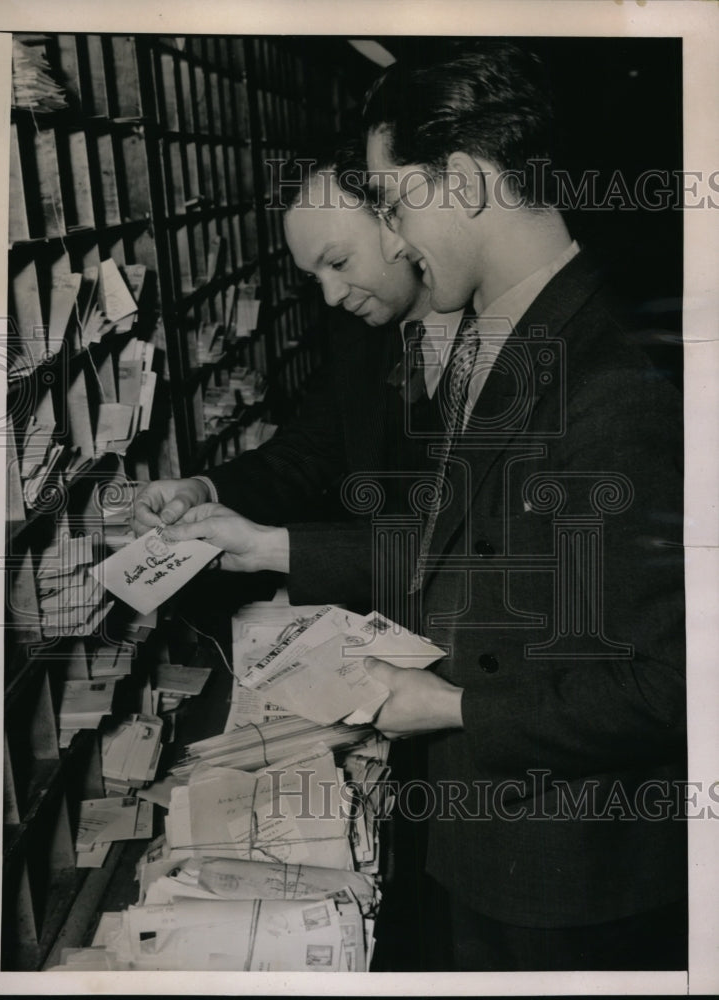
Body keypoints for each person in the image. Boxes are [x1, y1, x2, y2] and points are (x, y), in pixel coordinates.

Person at [357, 43, 687, 971]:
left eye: (391, 203)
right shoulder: (510, 332)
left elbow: (674, 685)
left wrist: (455, 706)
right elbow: (486, 546)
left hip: (573, 879)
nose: (390, 243)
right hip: (497, 849)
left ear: (461, 181)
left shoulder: (616, 382)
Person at [132, 137, 462, 613]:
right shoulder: (362, 331)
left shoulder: (505, 341)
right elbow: (306, 451)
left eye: (339, 262)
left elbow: (471, 546)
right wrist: (201, 489)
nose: (330, 295)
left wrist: (272, 546)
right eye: (314, 276)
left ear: (399, 224)